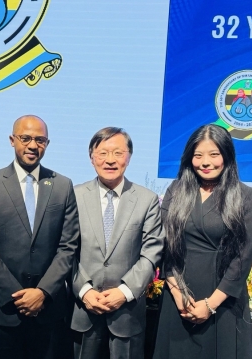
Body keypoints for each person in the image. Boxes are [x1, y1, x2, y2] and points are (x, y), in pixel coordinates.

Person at [0, 115, 79, 359]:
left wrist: (42, 292)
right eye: (26, 138)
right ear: (12, 140)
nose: (33, 145)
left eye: (40, 140)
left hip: (48, 309)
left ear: (47, 144)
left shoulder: (62, 185)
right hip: (3, 309)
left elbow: (67, 247)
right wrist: (18, 296)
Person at [153, 124, 252, 359]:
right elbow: (165, 247)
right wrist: (177, 293)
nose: (205, 162)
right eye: (198, 155)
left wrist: (211, 304)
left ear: (226, 156)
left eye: (214, 154)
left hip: (222, 303)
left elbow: (243, 259)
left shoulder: (245, 196)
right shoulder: (176, 191)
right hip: (179, 299)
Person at [71, 127, 164, 359]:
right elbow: (66, 250)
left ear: (129, 157)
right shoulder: (74, 195)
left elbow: (151, 252)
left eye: (118, 153)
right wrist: (84, 290)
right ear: (92, 157)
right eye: (102, 153)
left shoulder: (147, 200)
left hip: (127, 313)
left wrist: (124, 292)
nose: (110, 160)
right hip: (85, 309)